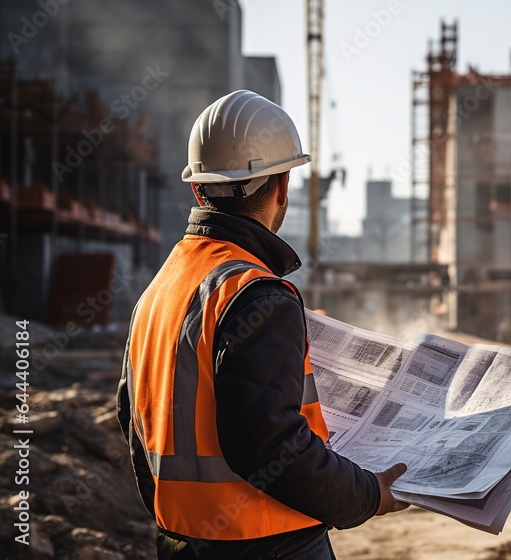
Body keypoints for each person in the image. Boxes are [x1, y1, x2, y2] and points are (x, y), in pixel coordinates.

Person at [116, 90, 409, 559]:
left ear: (198, 188)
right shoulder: (256, 293)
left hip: (180, 542)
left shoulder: (159, 291)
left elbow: (132, 419)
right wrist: (368, 494)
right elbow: (270, 444)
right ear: (281, 187)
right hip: (268, 544)